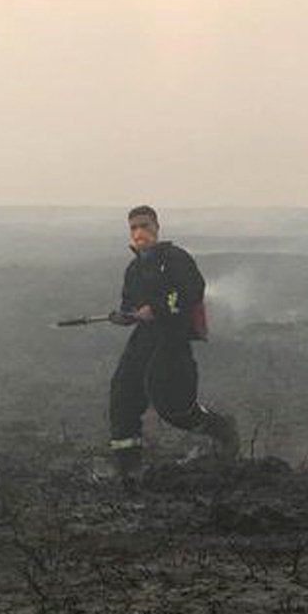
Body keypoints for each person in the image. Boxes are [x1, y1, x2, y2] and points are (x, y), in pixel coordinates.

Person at [107, 205, 239, 478]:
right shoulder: (134, 269)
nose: (139, 232)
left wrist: (157, 309)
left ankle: (222, 429)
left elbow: (191, 291)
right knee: (122, 394)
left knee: (172, 406)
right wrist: (125, 316)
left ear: (157, 227)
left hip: (173, 337)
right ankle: (128, 469)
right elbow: (130, 303)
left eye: (145, 225)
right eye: (134, 228)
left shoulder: (175, 259)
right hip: (145, 337)